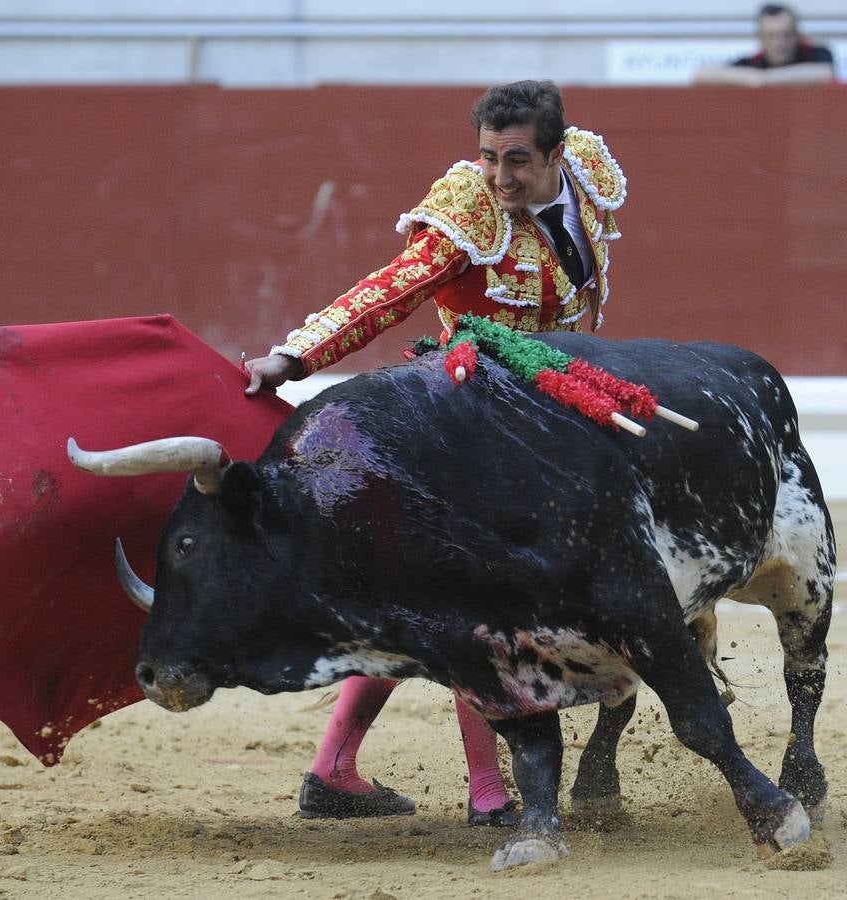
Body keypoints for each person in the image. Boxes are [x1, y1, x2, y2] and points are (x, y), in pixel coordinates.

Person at [242, 79, 626, 825]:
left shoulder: (586, 175)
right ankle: (489, 796)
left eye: (516, 161)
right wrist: (291, 361)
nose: (499, 177)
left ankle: (333, 767)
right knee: (476, 602)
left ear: (554, 154)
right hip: (468, 426)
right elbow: (385, 292)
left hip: (551, 418)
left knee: (414, 606)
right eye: (488, 157)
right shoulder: (466, 214)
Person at [692, 3, 835, 87]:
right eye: (771, 35)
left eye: (786, 34)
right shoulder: (753, 62)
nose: (779, 43)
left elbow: (824, 72)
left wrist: (764, 78)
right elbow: (700, 76)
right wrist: (752, 78)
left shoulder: (817, 53)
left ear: (797, 34)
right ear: (760, 37)